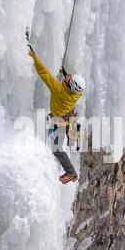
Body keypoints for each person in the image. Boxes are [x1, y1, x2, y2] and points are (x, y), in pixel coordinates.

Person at [29, 47, 85, 185]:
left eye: (69, 78)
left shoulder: (58, 90)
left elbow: (44, 73)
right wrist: (66, 75)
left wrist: (32, 55)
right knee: (72, 134)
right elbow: (71, 84)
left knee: (57, 149)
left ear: (69, 85)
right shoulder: (78, 93)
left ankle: (71, 172)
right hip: (70, 117)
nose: (69, 76)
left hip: (60, 121)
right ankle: (74, 140)